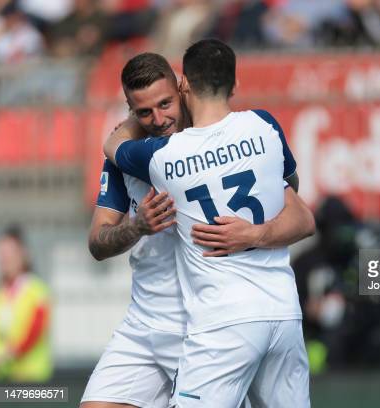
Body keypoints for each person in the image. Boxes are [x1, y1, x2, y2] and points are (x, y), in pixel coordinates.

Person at [82, 52, 314, 408]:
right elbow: (98, 243)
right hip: (145, 322)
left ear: (182, 88)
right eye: (143, 112)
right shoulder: (124, 161)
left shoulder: (214, 146)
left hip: (201, 324)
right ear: (131, 110)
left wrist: (254, 234)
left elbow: (299, 212)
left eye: (165, 103)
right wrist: (136, 227)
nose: (159, 119)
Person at [0, 225, 52, 383]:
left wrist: (7, 356)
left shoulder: (37, 291)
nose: (5, 259)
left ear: (23, 254)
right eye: (2, 253)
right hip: (4, 378)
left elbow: (33, 331)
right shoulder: (0, 294)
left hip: (31, 380)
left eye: (10, 252)